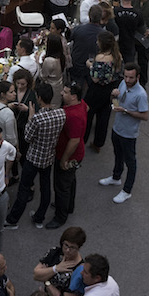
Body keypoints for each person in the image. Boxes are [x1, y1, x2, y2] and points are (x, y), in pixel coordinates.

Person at [6, 86, 65, 229]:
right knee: (45, 189)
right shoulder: (61, 114)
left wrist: (30, 117)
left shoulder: (37, 118)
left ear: (39, 98)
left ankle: (13, 220)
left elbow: (27, 137)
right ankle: (39, 218)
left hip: (33, 158)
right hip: (48, 157)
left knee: (24, 189)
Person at [98, 63, 147, 203]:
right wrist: (113, 97)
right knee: (118, 154)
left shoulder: (141, 94)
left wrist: (126, 111)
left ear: (137, 77)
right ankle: (116, 177)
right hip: (117, 128)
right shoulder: (123, 84)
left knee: (130, 162)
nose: (127, 80)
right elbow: (116, 105)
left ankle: (127, 191)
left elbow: (145, 116)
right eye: (125, 76)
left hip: (129, 134)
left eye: (130, 77)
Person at [47, 81, 87, 229]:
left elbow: (74, 140)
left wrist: (64, 159)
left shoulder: (73, 115)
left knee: (61, 186)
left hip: (69, 155)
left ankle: (60, 216)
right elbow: (87, 108)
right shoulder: (81, 104)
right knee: (70, 180)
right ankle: (68, 206)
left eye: (65, 92)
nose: (62, 93)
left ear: (73, 96)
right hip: (77, 154)